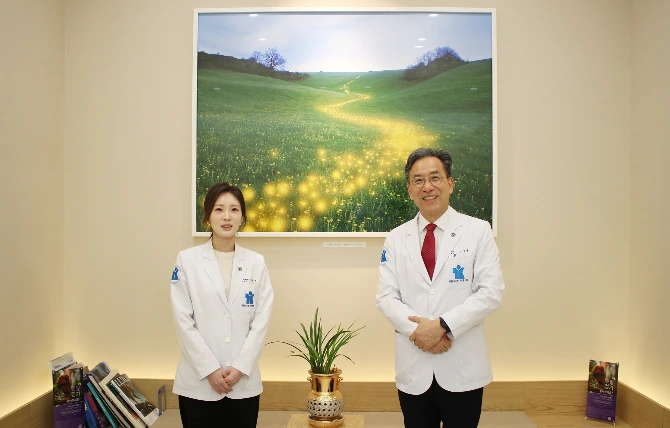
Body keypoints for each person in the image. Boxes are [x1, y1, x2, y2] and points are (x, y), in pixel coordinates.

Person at [376, 148, 504, 428]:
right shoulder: (396, 238)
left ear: (450, 183)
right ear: (410, 190)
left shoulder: (478, 231)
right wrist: (421, 333)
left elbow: (490, 293)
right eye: (418, 180)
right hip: (414, 366)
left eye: (435, 178)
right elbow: (386, 297)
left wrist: (442, 326)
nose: (428, 187)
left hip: (462, 365)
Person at [170, 182, 274, 428]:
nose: (227, 216)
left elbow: (261, 321)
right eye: (219, 209)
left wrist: (239, 367)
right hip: (198, 384)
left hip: (243, 384)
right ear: (208, 217)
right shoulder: (187, 260)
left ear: (242, 217)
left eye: (234, 210)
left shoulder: (256, 263)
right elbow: (183, 321)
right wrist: (210, 369)